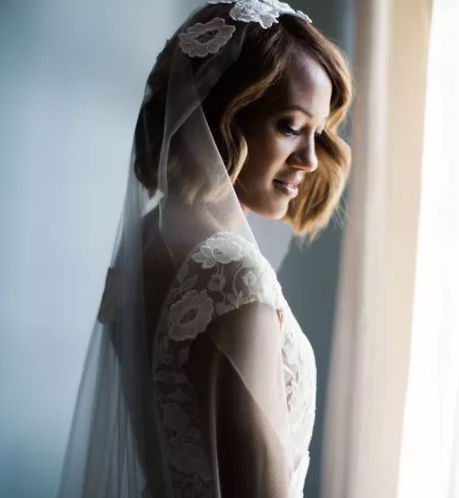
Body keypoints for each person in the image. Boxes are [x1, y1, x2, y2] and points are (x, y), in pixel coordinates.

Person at [58, 1, 352, 497]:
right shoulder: (234, 278)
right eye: (290, 126)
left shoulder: (146, 241)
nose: (308, 159)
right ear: (224, 116)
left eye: (317, 133)